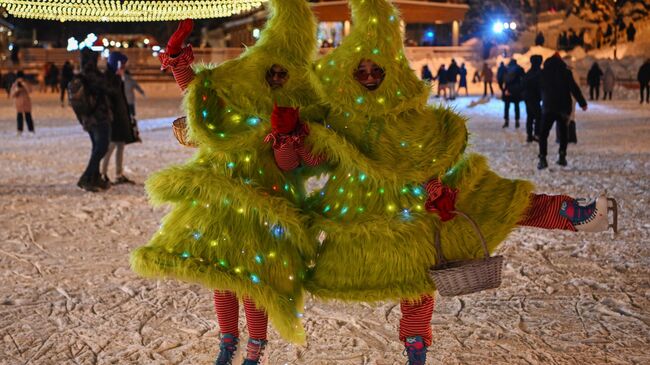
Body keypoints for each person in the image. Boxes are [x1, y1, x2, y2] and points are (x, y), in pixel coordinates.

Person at [538, 53, 587, 169]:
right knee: (563, 132)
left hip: (548, 107)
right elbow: (574, 88)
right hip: (563, 107)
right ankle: (562, 156)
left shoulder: (543, 73)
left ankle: (543, 158)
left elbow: (537, 88)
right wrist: (582, 103)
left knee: (543, 134)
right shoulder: (566, 72)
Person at [74, 48, 113, 192]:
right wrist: (109, 71)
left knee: (97, 148)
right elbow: (108, 87)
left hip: (87, 118)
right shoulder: (92, 75)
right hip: (99, 117)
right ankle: (86, 178)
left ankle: (95, 178)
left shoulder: (82, 75)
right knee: (101, 148)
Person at [100, 52, 139, 185]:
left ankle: (118, 174)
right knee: (110, 147)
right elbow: (110, 100)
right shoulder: (110, 79)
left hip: (120, 118)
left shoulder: (117, 79)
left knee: (120, 146)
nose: (124, 68)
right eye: (122, 65)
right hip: (114, 120)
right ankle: (102, 173)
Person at [523, 55, 543, 143]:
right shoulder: (540, 73)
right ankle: (537, 134)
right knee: (539, 116)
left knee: (530, 116)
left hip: (528, 97)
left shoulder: (529, 73)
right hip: (535, 97)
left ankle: (529, 135)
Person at [10, 71, 35, 136]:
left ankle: (31, 130)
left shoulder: (26, 83)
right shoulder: (15, 84)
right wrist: (17, 89)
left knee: (28, 116)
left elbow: (30, 90)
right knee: (19, 117)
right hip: (19, 103)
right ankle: (19, 130)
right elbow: (12, 94)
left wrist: (24, 84)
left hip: (26, 102)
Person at [502, 59, 525, 128]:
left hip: (508, 90)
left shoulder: (506, 69)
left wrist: (503, 89)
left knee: (506, 106)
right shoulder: (519, 69)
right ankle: (517, 121)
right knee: (516, 106)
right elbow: (524, 78)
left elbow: (502, 78)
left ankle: (506, 121)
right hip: (516, 90)